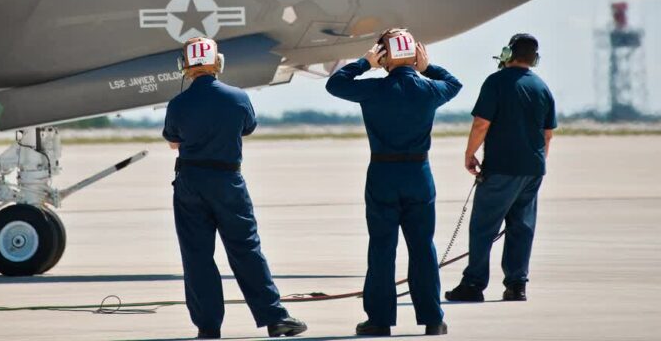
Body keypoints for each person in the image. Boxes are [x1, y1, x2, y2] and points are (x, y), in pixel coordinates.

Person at [163, 36, 307, 339]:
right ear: (219, 63)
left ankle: (208, 326)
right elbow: (247, 127)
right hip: (228, 181)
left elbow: (173, 140)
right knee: (246, 249)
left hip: (190, 183)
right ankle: (274, 317)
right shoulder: (238, 97)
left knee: (197, 255)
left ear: (184, 67)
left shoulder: (177, 103)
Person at [326, 29, 461, 337]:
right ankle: (432, 319)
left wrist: (364, 63)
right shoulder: (429, 91)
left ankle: (380, 320)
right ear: (415, 56)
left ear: (384, 57)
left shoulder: (374, 89)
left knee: (382, 249)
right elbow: (454, 84)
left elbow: (335, 85)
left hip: (383, 174)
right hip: (419, 174)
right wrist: (427, 69)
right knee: (423, 248)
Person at [445, 33, 556, 303]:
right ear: (534, 59)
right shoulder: (542, 87)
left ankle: (474, 284)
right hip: (532, 169)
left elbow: (482, 123)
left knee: (483, 227)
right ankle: (517, 285)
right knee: (521, 227)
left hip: (501, 169)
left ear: (507, 54)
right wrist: (537, 164)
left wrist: (470, 153)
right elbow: (548, 134)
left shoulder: (496, 82)